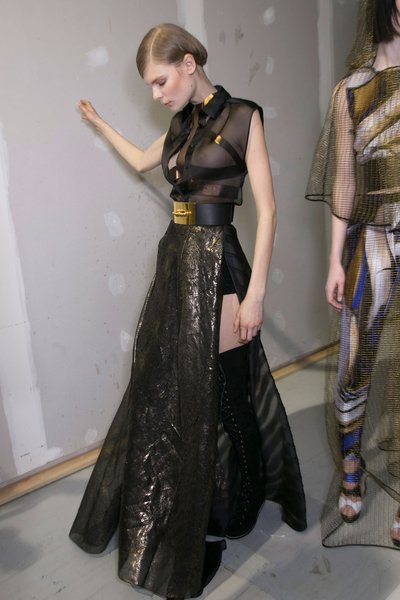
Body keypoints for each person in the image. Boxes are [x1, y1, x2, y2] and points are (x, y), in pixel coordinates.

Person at [70, 23, 307, 599]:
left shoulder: (243, 117)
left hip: (220, 268)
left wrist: (255, 295)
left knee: (225, 393)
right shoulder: (180, 125)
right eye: (149, 86)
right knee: (176, 391)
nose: (156, 94)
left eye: (160, 81)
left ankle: (239, 504)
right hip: (177, 263)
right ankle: (205, 504)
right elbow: (140, 161)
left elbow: (269, 211)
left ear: (189, 63)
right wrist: (101, 124)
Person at [306, 0, 400, 550]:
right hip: (372, 238)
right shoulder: (350, 91)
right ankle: (351, 466)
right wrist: (333, 261)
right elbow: (344, 181)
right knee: (355, 362)